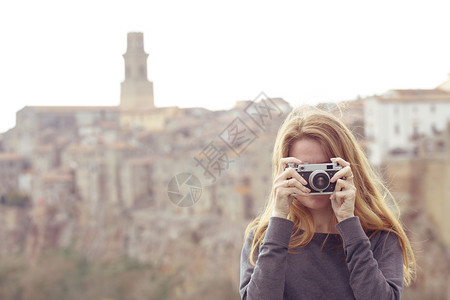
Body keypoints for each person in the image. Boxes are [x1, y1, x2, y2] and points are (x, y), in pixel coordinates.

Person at [239, 106, 416, 300]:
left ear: (347, 168)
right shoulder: (265, 238)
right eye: (303, 169)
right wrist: (279, 218)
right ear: (284, 172)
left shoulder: (380, 239)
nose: (317, 178)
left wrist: (349, 225)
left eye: (325, 168)